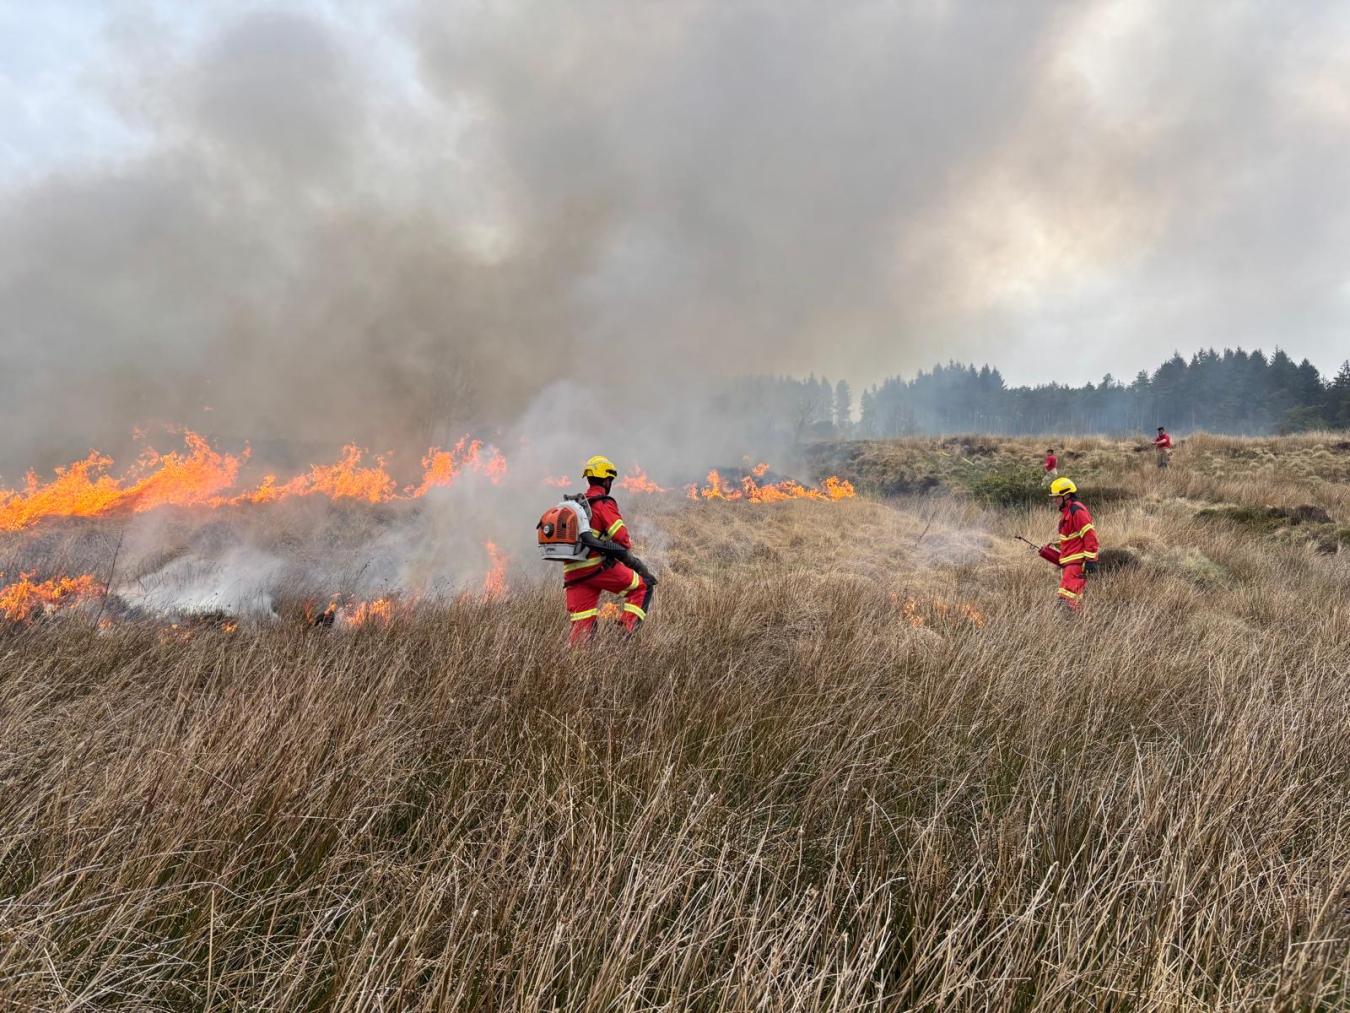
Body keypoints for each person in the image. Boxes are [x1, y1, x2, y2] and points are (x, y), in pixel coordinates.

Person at [564, 455, 654, 643]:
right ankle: (623, 637)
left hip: (573, 573)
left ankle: (577, 664)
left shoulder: (577, 506)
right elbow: (622, 539)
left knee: (581, 631)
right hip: (596, 567)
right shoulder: (603, 503)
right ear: (606, 480)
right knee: (643, 587)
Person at [1040, 477, 1099, 611]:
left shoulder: (1076, 510)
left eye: (1057, 496)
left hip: (1076, 565)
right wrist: (1057, 544)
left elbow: (1089, 535)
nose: (1054, 500)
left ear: (1066, 495)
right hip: (1069, 566)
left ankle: (1078, 628)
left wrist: (1090, 560)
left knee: (1068, 602)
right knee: (1066, 600)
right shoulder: (1068, 511)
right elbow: (1074, 537)